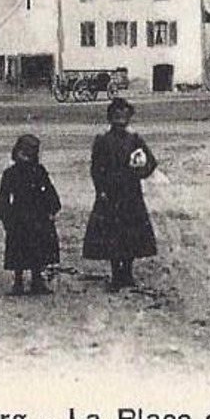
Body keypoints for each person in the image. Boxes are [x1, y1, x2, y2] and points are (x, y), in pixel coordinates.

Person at [84, 97, 159, 290]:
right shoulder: (102, 141)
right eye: (116, 116)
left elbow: (151, 162)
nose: (120, 120)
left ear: (129, 119)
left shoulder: (135, 140)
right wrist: (100, 190)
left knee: (131, 234)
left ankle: (128, 272)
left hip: (130, 193)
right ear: (110, 118)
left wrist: (140, 172)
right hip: (110, 194)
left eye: (123, 117)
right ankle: (116, 274)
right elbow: (96, 168)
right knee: (112, 234)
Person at [0, 134, 61, 296]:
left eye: (29, 152)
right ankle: (18, 281)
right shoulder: (10, 173)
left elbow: (48, 190)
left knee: (38, 249)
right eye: (22, 152)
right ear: (16, 152)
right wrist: (4, 214)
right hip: (19, 215)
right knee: (18, 249)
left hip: (38, 214)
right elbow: (3, 194)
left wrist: (52, 208)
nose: (25, 156)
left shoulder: (39, 171)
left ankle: (37, 280)